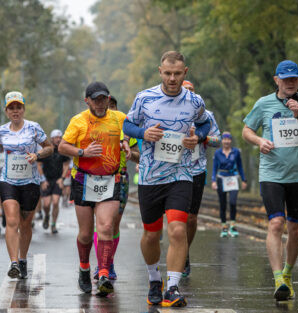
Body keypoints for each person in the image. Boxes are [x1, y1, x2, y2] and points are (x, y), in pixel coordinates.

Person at [123, 51, 211, 307]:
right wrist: (143, 132)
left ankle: (172, 287)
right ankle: (154, 279)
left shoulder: (194, 101)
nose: (172, 78)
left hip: (181, 174)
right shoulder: (145, 97)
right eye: (168, 73)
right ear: (160, 71)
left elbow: (205, 124)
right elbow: (127, 126)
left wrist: (198, 137)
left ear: (185, 73)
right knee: (151, 235)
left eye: (177, 74)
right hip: (150, 176)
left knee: (177, 229)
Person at [242, 60, 298, 301]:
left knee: (296, 229)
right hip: (271, 174)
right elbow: (246, 130)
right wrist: (259, 141)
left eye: (294, 79)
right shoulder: (263, 103)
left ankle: (288, 273)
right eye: (285, 78)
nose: (290, 82)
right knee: (276, 223)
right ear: (276, 79)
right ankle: (278, 278)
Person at [58, 82, 130, 296]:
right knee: (86, 234)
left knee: (106, 227)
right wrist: (83, 152)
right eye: (95, 99)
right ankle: (84, 267)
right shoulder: (78, 121)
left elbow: (132, 133)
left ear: (109, 99)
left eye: (103, 99)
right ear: (87, 101)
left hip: (110, 180)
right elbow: (62, 146)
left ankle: (105, 273)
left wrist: (126, 142)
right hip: (83, 180)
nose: (100, 103)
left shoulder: (119, 118)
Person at [0, 91, 53, 279]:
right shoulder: (2, 130)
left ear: (23, 109)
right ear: (7, 111)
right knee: (12, 221)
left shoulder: (34, 128)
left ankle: (23, 259)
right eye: (11, 108)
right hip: (8, 181)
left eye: (18, 107)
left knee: (25, 224)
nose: (15, 111)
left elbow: (49, 147)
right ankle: (14, 262)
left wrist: (37, 155)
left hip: (30, 182)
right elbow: (0, 146)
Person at [92, 95, 140, 280]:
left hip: (120, 177)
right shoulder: (92, 126)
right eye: (105, 107)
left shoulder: (124, 127)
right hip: (96, 178)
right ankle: (102, 265)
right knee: (102, 224)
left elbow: (138, 155)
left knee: (114, 224)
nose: (108, 110)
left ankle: (109, 262)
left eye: (112, 107)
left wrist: (127, 152)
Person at [181, 80, 221, 278]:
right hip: (174, 169)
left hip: (197, 169)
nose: (188, 93)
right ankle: (178, 251)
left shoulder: (206, 115)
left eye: (191, 90)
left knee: (191, 217)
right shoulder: (170, 112)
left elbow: (218, 140)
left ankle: (184, 251)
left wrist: (202, 137)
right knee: (176, 216)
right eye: (184, 89)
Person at [211, 132, 247, 238]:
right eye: (224, 139)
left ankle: (233, 225)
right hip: (221, 179)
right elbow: (214, 168)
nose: (226, 141)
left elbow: (240, 166)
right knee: (222, 204)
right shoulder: (217, 153)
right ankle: (224, 227)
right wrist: (213, 181)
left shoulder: (236, 152)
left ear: (231, 141)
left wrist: (244, 180)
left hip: (233, 179)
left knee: (232, 202)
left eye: (228, 139)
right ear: (222, 141)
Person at [37, 129, 70, 234]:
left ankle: (53, 224)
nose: (58, 139)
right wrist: (42, 180)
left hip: (57, 180)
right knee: (46, 204)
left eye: (60, 138)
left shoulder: (62, 150)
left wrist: (62, 178)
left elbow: (66, 165)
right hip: (46, 180)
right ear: (51, 139)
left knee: (55, 202)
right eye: (56, 137)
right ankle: (46, 216)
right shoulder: (46, 150)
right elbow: (38, 165)